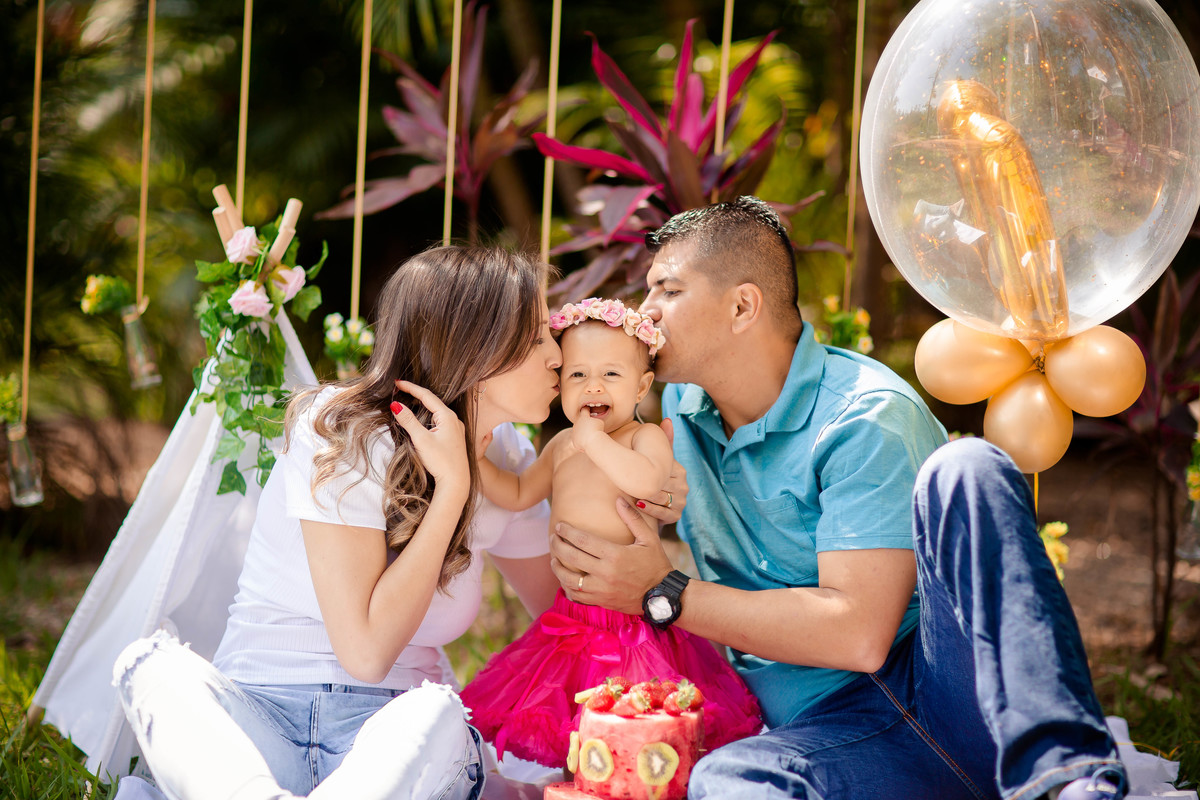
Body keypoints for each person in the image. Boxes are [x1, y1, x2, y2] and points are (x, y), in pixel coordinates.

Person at [547, 197, 1128, 800]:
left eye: (667, 290)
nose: (646, 312)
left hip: (951, 693)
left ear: (742, 306)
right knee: (728, 784)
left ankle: (1069, 777)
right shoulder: (675, 417)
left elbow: (859, 636)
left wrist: (664, 592)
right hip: (829, 738)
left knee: (967, 466)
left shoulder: (865, 415)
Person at [111, 246, 566, 800]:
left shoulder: (512, 463)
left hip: (388, 746)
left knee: (439, 712)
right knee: (150, 666)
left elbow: (568, 618)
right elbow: (367, 650)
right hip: (259, 716)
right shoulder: (342, 429)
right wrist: (452, 494)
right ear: (477, 346)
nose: (557, 355)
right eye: (539, 335)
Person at [458, 298, 762, 769]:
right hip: (574, 619)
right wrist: (475, 463)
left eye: (611, 375)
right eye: (578, 375)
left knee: (636, 734)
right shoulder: (562, 444)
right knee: (579, 736)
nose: (593, 386)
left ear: (642, 386)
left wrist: (596, 440)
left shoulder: (643, 439)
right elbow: (519, 492)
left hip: (634, 623)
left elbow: (645, 481)